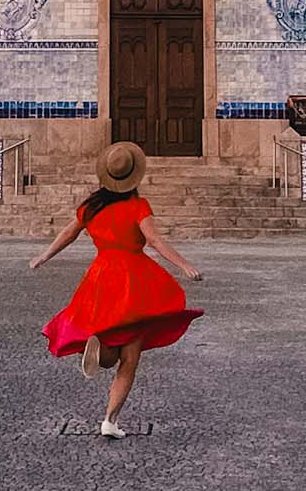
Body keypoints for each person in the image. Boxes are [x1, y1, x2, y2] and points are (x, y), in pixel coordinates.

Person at [32, 140, 203, 437]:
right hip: (133, 278)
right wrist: (183, 264)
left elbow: (68, 234)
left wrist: (44, 256)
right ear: (134, 176)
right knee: (131, 356)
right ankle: (110, 419)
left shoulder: (90, 207)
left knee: (111, 331)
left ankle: (98, 350)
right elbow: (155, 241)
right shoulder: (138, 206)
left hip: (100, 278)